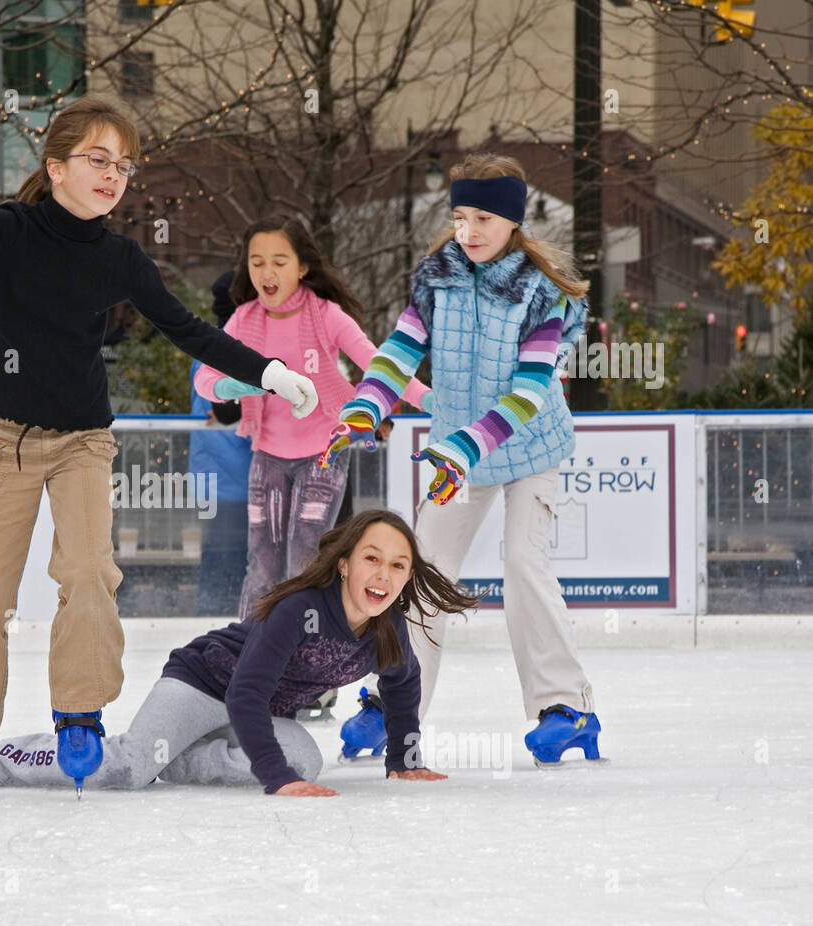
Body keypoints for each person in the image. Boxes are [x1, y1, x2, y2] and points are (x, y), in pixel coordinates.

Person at [0, 97, 320, 796]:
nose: (114, 174)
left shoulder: (120, 258)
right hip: (4, 442)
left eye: (123, 164)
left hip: (82, 441)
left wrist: (268, 372)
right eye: (97, 160)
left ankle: (78, 711)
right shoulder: (12, 228)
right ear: (55, 168)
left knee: (86, 571)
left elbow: (188, 330)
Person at [321, 152, 603, 766]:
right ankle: (397, 702)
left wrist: (467, 445)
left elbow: (529, 389)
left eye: (483, 218)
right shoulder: (436, 278)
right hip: (460, 453)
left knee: (526, 564)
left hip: (527, 447)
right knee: (420, 568)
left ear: (512, 223)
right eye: (459, 217)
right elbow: (398, 352)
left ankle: (567, 707)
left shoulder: (541, 295)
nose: (468, 232)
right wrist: (367, 405)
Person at [0, 510, 478, 796]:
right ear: (344, 564)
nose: (383, 575)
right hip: (203, 683)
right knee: (131, 768)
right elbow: (247, 691)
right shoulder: (301, 610)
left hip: (251, 714)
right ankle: (9, 757)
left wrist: (403, 761)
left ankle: (180, 760)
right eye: (372, 558)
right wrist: (276, 782)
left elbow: (402, 685)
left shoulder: (387, 629)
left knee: (305, 760)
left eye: (397, 565)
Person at [192, 218, 426, 620]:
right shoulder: (244, 320)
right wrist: (247, 385)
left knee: (306, 559)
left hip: (324, 452)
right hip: (267, 454)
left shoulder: (324, 315)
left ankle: (312, 665)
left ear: (302, 268)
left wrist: (431, 400)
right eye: (257, 262)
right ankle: (251, 654)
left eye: (279, 262)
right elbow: (205, 380)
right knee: (262, 565)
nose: (267, 272)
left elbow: (379, 364)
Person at [189, 270, 252, 616]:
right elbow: (225, 414)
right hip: (234, 480)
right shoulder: (234, 349)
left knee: (219, 556)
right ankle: (216, 621)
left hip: (213, 479)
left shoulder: (207, 345)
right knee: (231, 558)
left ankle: (210, 619)